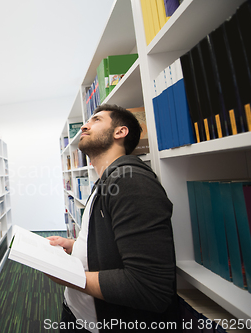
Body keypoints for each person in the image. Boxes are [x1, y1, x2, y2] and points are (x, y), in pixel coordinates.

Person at [47, 104, 180, 332]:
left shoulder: (129, 182)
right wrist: (75, 245)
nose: (84, 126)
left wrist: (70, 276)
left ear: (120, 132)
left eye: (96, 120)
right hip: (79, 314)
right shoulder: (106, 181)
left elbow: (149, 287)